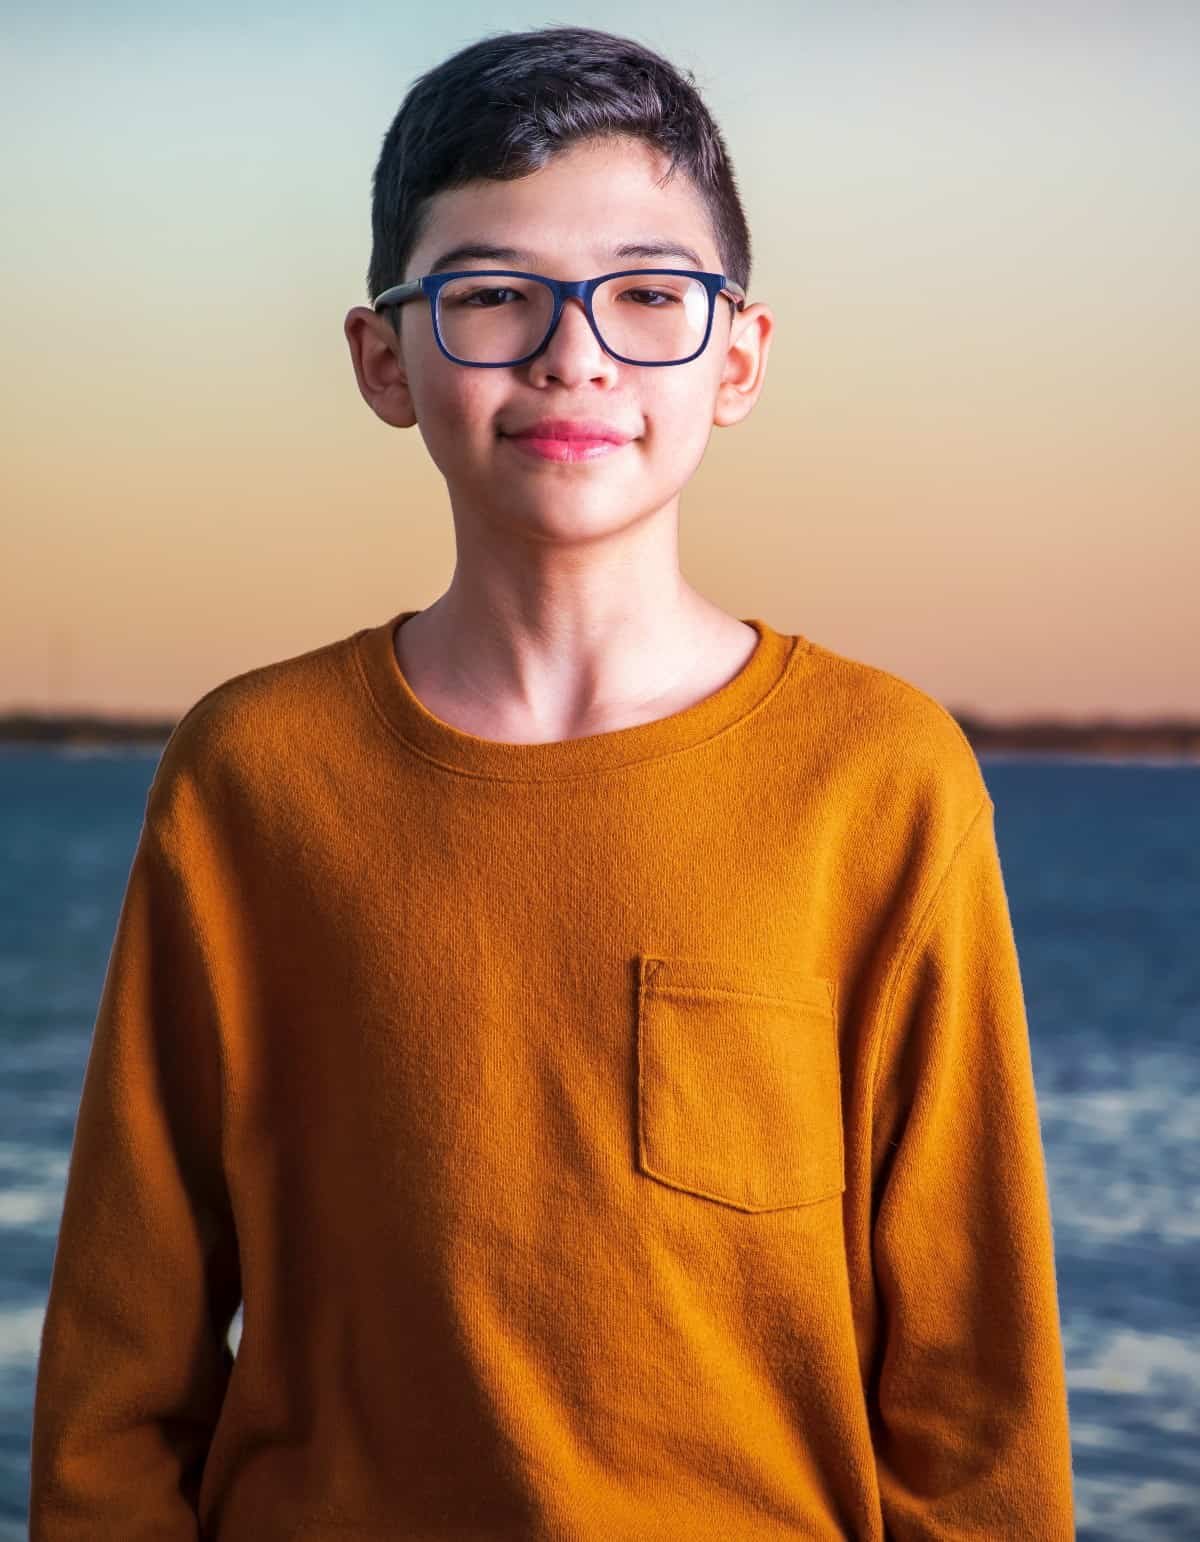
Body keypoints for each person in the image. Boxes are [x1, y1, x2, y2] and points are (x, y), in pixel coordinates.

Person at [28, 24, 1076, 1540]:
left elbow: (978, 1404)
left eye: (649, 293)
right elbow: (121, 1374)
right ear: (385, 358)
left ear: (738, 357)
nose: (572, 349)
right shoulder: (251, 776)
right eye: (493, 295)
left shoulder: (882, 778)